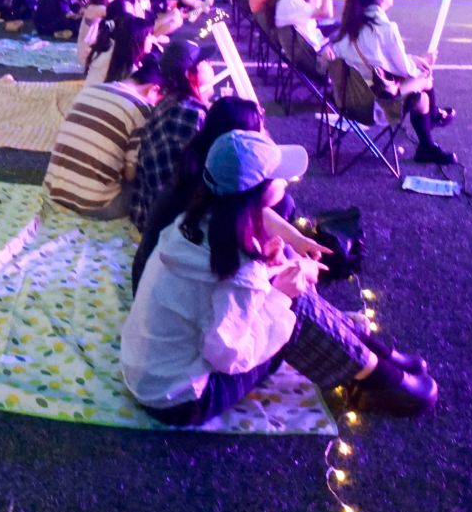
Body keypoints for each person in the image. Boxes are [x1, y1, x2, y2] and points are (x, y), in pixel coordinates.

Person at [122, 126, 438, 424]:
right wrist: (281, 296)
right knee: (294, 310)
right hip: (181, 399)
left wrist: (278, 272)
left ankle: (371, 359)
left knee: (287, 282)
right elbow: (228, 355)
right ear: (256, 195)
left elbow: (223, 292)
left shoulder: (194, 220)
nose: (286, 182)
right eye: (278, 178)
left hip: (152, 374)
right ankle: (377, 376)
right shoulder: (236, 265)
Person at [338, 0, 457, 166]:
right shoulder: (385, 28)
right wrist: (425, 61)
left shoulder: (350, 25)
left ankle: (428, 139)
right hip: (374, 106)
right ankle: (433, 120)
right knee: (425, 78)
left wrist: (414, 59)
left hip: (347, 101)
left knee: (422, 98)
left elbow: (381, 60)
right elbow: (406, 70)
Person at [43, 53, 164, 218]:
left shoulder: (91, 90)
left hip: (54, 191)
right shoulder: (140, 109)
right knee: (149, 185)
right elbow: (130, 174)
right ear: (154, 89)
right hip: (96, 205)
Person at [129, 39, 213, 234]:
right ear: (189, 74)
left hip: (148, 209)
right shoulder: (189, 113)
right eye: (203, 62)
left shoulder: (171, 101)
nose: (209, 65)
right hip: (164, 222)